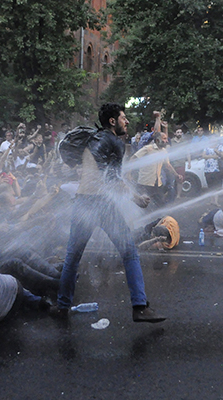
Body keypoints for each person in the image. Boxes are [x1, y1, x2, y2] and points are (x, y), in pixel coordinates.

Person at [54, 102, 166, 322]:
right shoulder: (113, 141)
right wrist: (137, 199)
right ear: (113, 121)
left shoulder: (92, 139)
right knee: (129, 253)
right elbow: (112, 179)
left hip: (83, 202)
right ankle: (139, 307)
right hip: (102, 205)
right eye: (124, 118)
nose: (127, 121)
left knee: (72, 258)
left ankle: (62, 306)